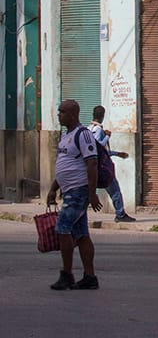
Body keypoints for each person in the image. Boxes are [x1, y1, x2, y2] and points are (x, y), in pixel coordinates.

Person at [47, 98, 102, 291]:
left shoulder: (83, 134)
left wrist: (92, 193)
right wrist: (53, 188)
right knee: (81, 234)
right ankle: (90, 277)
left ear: (72, 114)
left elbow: (92, 163)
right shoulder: (66, 136)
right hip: (69, 190)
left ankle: (67, 275)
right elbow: (65, 163)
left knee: (62, 228)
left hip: (79, 191)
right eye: (59, 111)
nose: (59, 115)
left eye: (62, 112)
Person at [89, 105, 135, 223]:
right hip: (102, 168)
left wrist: (117, 153)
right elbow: (99, 147)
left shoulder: (88, 129)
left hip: (93, 167)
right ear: (103, 116)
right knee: (115, 191)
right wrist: (107, 137)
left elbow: (99, 151)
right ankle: (120, 214)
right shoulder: (98, 130)